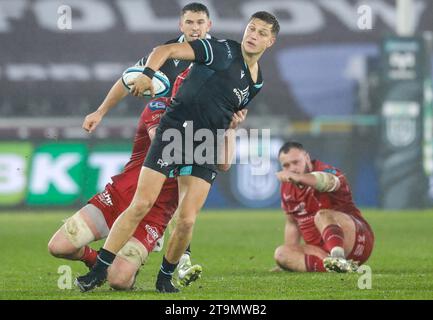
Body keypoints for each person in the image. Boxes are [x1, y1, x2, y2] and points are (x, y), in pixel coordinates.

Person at [75, 11, 279, 293]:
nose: (253, 35)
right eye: (251, 29)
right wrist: (148, 75)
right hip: (174, 132)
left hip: (206, 141)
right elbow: (165, 50)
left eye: (261, 33)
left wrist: (232, 126)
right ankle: (98, 270)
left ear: (271, 41)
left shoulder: (256, 82)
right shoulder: (221, 50)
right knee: (141, 204)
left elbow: (226, 109)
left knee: (186, 220)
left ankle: (164, 278)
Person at [48, 2, 216, 290]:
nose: (195, 28)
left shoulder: (220, 59)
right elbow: (129, 79)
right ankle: (100, 260)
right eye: (190, 22)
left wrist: (229, 125)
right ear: (181, 25)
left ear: (208, 25)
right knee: (59, 246)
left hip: (185, 150)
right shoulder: (165, 58)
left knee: (121, 280)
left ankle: (160, 256)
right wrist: (99, 111)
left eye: (200, 22)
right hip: (144, 170)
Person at [273, 142, 375, 273]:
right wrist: (290, 260)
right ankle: (335, 267)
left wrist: (298, 177)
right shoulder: (287, 188)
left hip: (356, 240)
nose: (292, 168)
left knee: (322, 215)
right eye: (286, 165)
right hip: (320, 251)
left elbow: (330, 182)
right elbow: (292, 223)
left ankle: (338, 257)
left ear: (307, 158)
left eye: (296, 162)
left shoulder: (325, 170)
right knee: (281, 253)